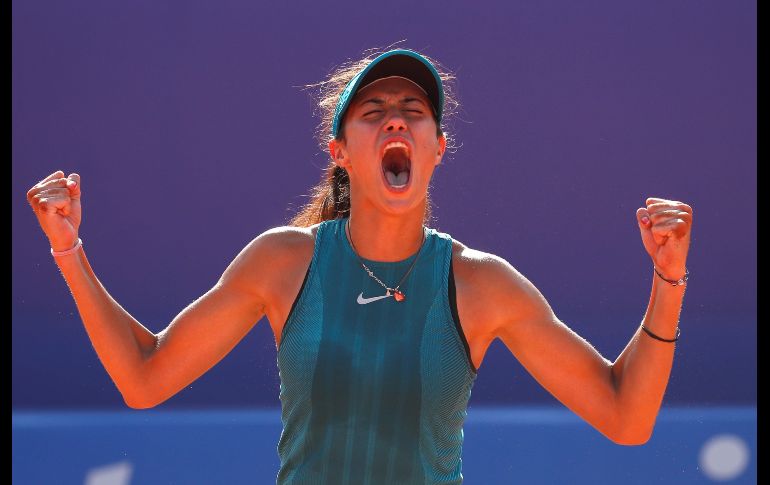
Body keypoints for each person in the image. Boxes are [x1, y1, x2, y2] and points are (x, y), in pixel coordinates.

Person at [26, 47, 693, 484]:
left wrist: (668, 281)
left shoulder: (480, 283)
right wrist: (69, 250)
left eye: (414, 112)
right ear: (341, 149)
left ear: (438, 147)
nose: (395, 123)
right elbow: (144, 378)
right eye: (373, 114)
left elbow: (627, 418)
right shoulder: (284, 260)